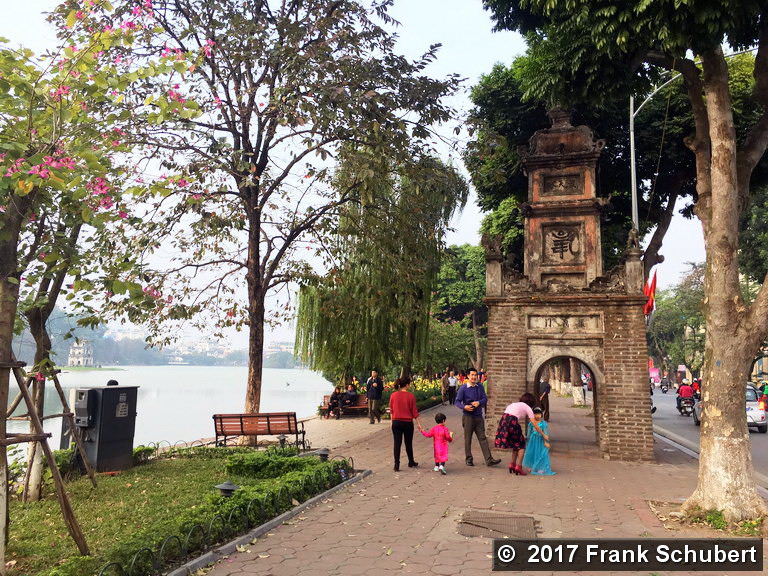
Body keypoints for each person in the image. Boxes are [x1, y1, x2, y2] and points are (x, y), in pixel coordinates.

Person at [454, 367, 501, 467]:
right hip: (468, 417)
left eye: (476, 375)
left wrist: (479, 402)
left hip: (478, 416)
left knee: (483, 438)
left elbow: (485, 399)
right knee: (468, 439)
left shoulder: (479, 387)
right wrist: (464, 407)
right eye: (472, 375)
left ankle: (489, 459)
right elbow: (457, 401)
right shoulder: (463, 388)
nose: (474, 377)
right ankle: (469, 459)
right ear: (468, 376)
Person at [495, 393, 549, 475]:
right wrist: (543, 434)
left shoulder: (514, 404)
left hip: (504, 422)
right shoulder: (528, 408)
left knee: (515, 444)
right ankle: (518, 466)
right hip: (512, 422)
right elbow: (535, 424)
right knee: (521, 445)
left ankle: (512, 464)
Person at [389, 376, 422, 471]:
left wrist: (392, 422)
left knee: (397, 443)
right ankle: (411, 461)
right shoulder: (410, 396)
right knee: (408, 443)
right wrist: (419, 424)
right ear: (407, 385)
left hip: (396, 422)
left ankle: (396, 464)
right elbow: (414, 412)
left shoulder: (393, 395)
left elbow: (391, 410)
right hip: (407, 423)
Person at [521, 407, 555, 475]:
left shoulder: (543, 423)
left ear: (541, 415)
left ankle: (541, 467)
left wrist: (546, 441)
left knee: (540, 453)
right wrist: (527, 438)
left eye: (539, 414)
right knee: (532, 452)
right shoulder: (531, 423)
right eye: (535, 414)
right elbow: (529, 432)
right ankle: (532, 466)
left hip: (540, 440)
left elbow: (545, 433)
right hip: (532, 440)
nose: (537, 416)